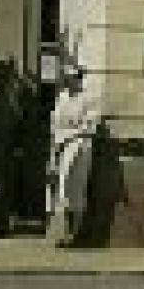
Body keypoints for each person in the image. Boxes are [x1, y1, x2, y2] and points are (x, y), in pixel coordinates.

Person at [45, 63, 99, 247]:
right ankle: (63, 231)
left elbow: (89, 126)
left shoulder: (88, 99)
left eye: (74, 77)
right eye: (68, 78)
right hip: (61, 146)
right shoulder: (62, 98)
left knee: (75, 188)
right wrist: (55, 148)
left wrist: (69, 135)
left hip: (79, 147)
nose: (70, 81)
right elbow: (55, 124)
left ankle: (76, 233)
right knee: (60, 189)